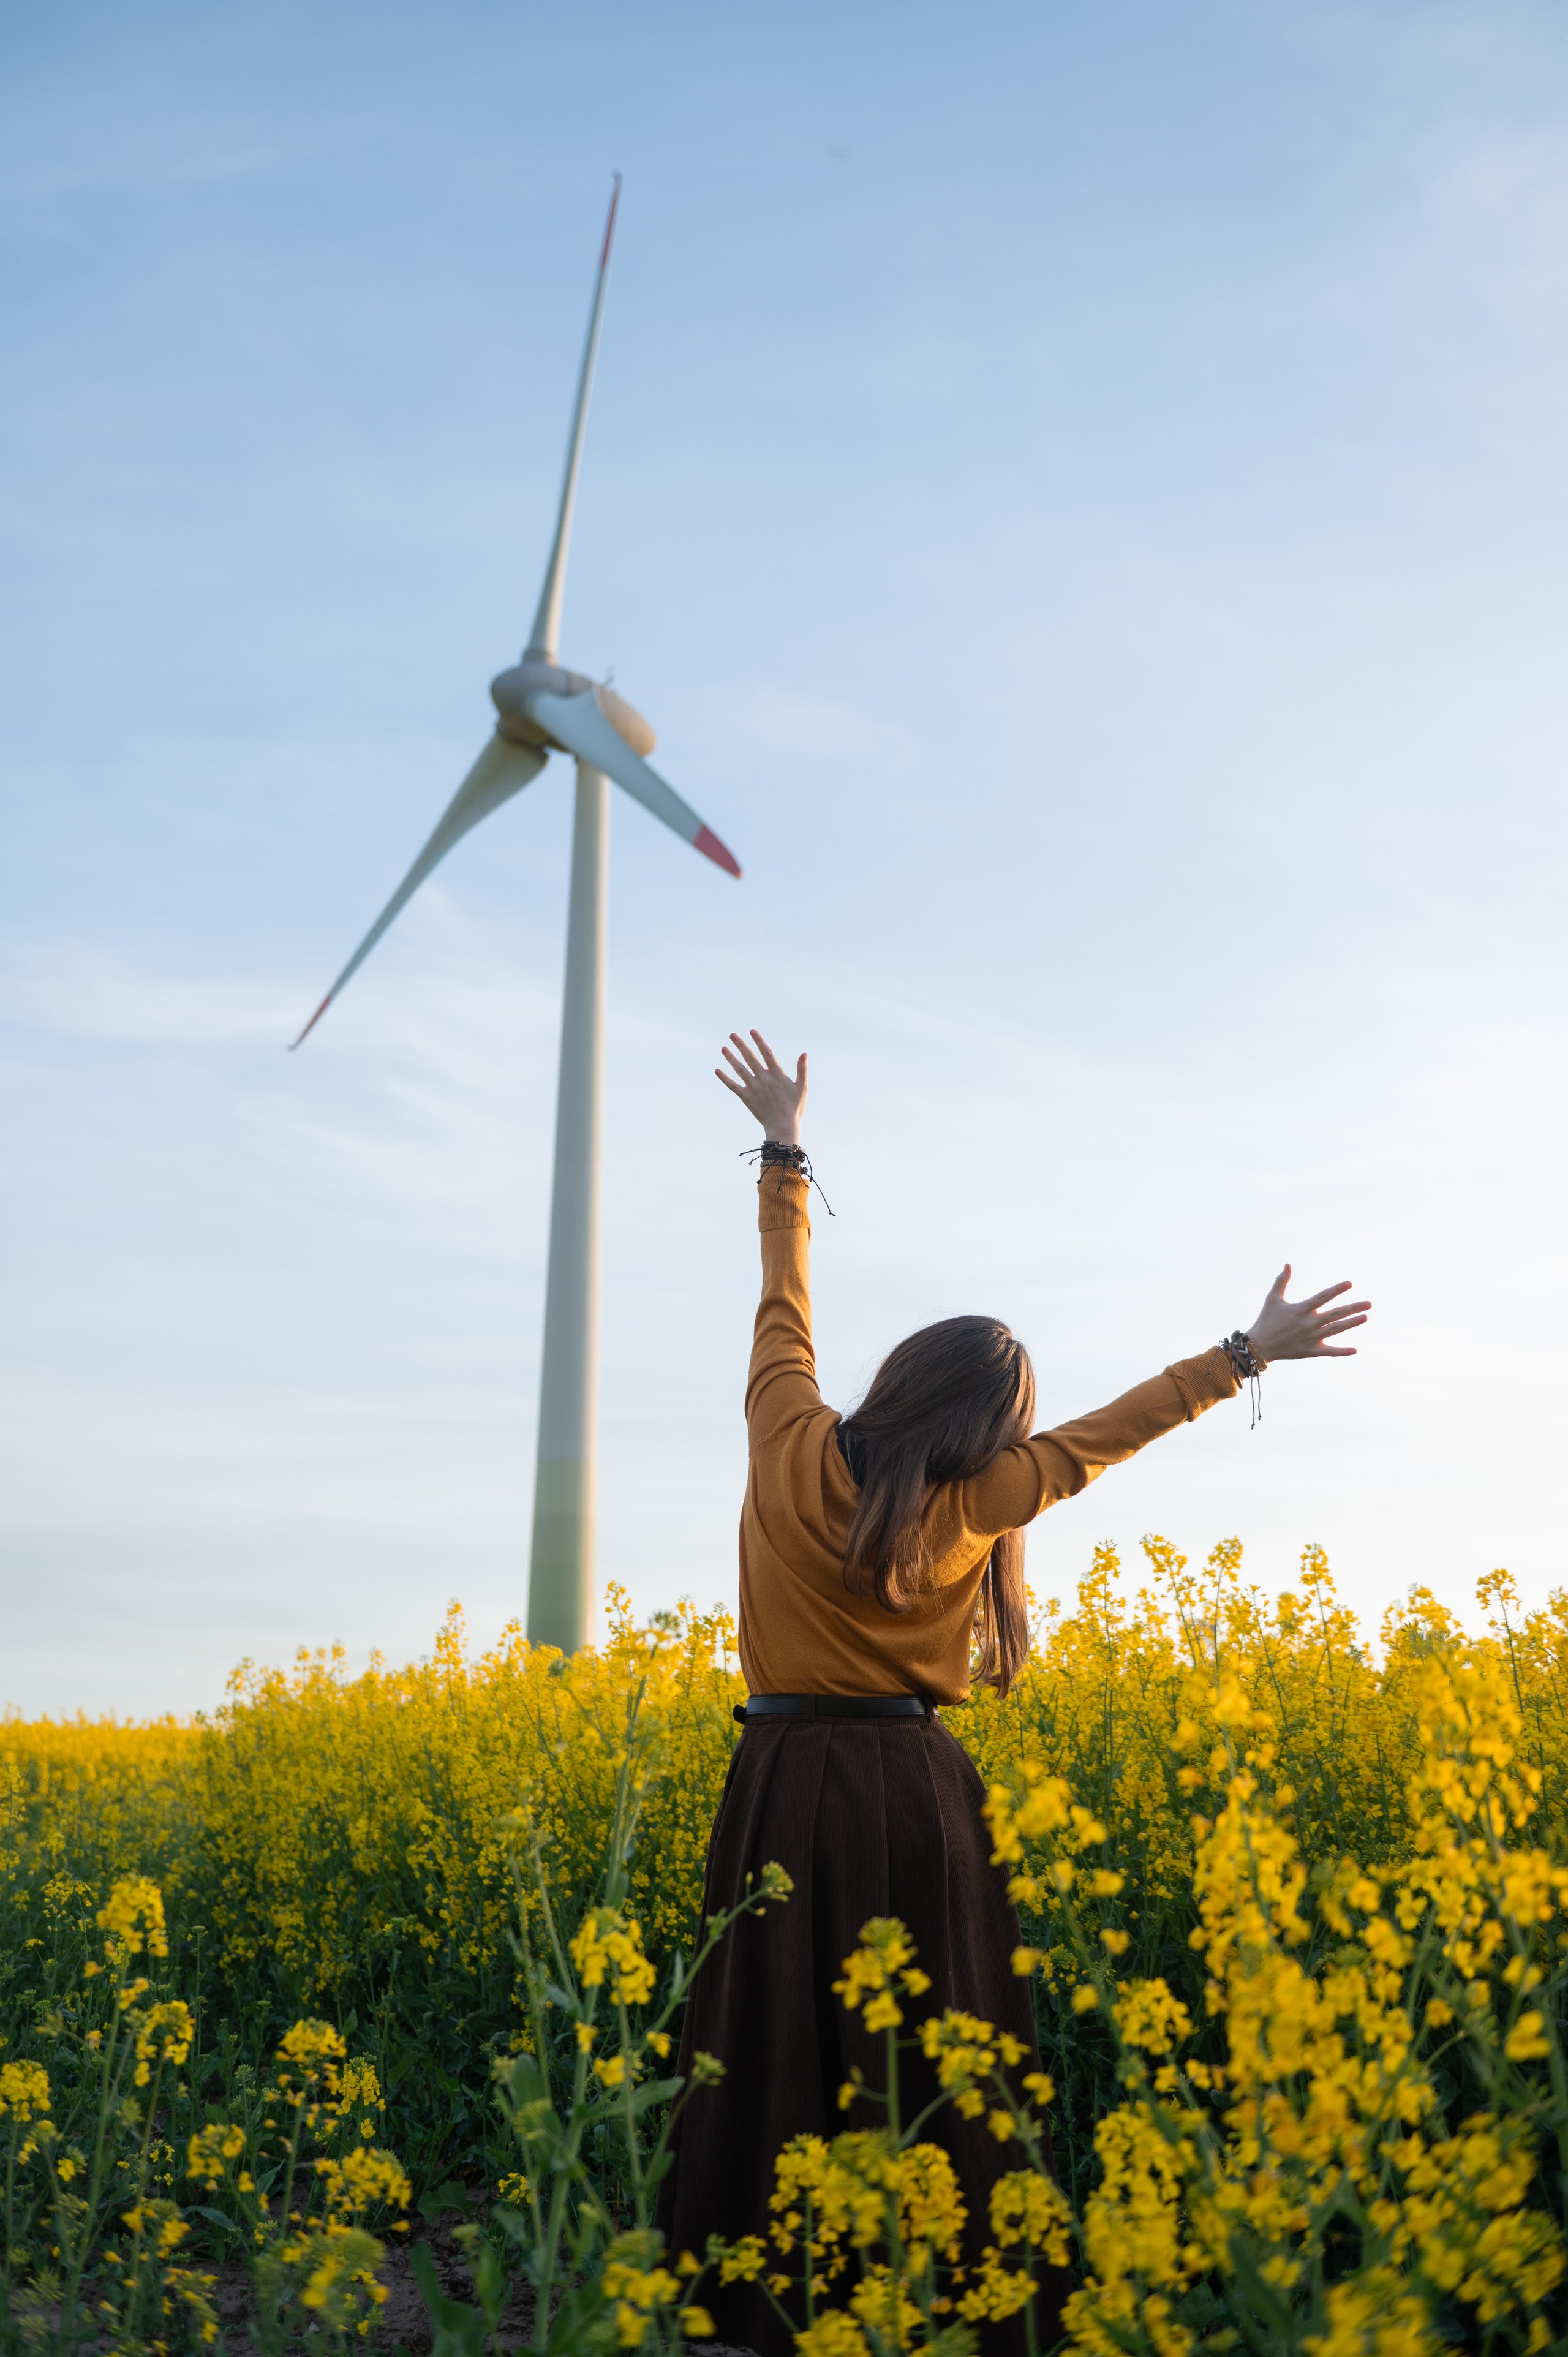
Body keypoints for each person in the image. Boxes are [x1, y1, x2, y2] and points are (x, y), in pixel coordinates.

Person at [657, 1030, 1370, 2353]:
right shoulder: (988, 1496)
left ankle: (761, 2297)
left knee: (774, 2040)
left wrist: (784, 1150)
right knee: (946, 2040)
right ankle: (959, 2293)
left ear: (895, 1380)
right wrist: (1244, 1350)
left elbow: (783, 1297)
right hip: (921, 1787)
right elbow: (1113, 1428)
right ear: (988, 1427)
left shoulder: (783, 1428)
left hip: (782, 1780)